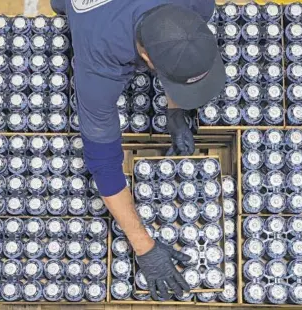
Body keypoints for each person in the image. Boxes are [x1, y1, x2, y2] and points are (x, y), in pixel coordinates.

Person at [51, 0, 225, 301]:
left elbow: (178, 49)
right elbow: (104, 166)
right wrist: (145, 247)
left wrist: (176, 109)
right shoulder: (98, 64)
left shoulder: (197, 6)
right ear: (145, 55)